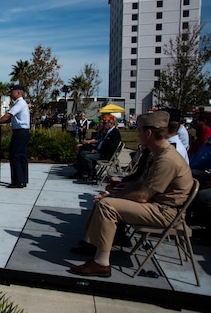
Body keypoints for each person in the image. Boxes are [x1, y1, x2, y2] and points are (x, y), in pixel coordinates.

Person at [68, 111, 193, 278]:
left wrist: (112, 197)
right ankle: (93, 243)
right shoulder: (160, 153)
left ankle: (101, 263)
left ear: (148, 133)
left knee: (107, 206)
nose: (138, 134)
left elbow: (142, 195)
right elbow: (141, 183)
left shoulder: (167, 159)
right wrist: (113, 191)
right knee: (106, 200)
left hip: (166, 212)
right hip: (158, 206)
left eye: (140, 131)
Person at [0, 84, 31, 188]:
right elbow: (10, 119)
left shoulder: (19, 103)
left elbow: (8, 116)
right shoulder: (21, 103)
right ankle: (23, 179)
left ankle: (17, 181)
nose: (11, 94)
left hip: (20, 132)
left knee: (15, 156)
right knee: (22, 157)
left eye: (12, 92)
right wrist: (0, 122)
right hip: (23, 132)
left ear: (18, 93)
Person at [70, 115, 121, 180]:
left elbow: (111, 147)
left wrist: (98, 151)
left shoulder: (115, 133)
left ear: (111, 124)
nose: (105, 124)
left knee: (87, 156)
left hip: (105, 155)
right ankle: (81, 172)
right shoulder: (109, 131)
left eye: (106, 123)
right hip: (100, 151)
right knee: (82, 153)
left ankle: (91, 174)